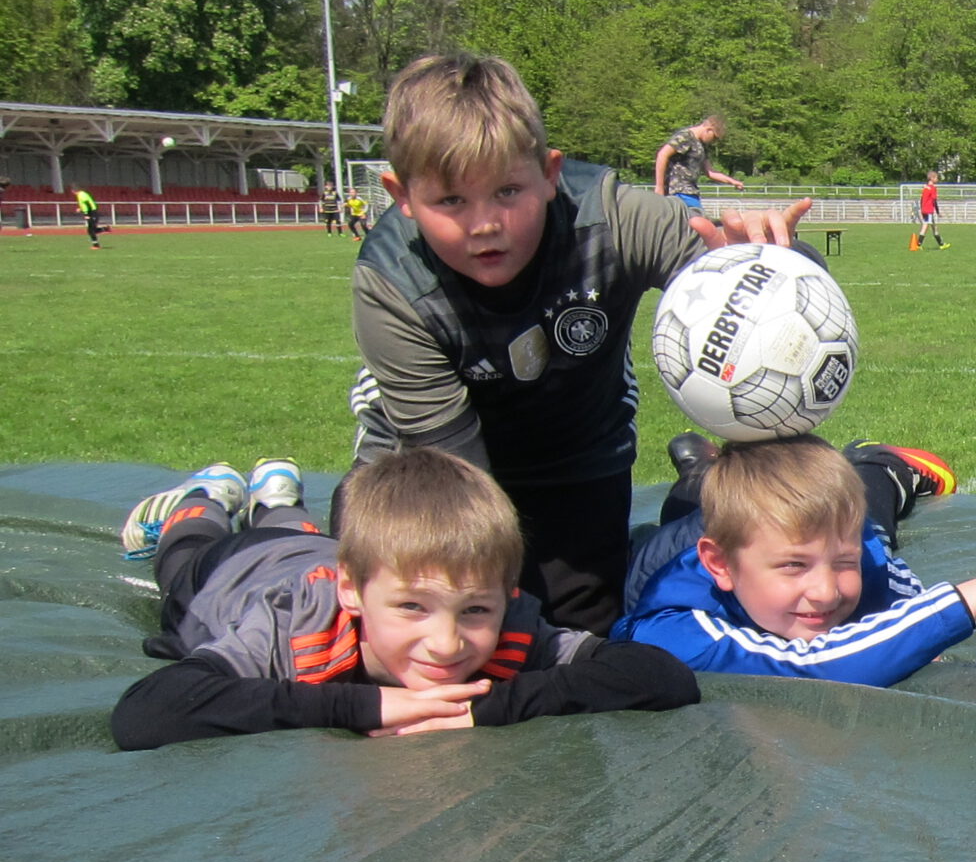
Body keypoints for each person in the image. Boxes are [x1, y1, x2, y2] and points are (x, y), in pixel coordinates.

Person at [345, 52, 813, 635]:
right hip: (430, 467)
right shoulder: (392, 283)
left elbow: (767, 295)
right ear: (401, 194)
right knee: (442, 625)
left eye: (508, 191)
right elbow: (453, 479)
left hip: (578, 453)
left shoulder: (612, 217)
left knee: (582, 631)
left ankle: (673, 518)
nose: (484, 223)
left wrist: (777, 259)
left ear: (549, 173)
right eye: (451, 202)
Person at [110, 446, 697, 751]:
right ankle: (208, 495)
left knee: (298, 529)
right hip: (236, 569)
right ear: (353, 593)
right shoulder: (292, 628)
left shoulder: (513, 623)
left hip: (324, 551)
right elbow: (148, 711)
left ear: (507, 594)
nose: (446, 644)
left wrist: (486, 707)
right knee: (185, 552)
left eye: (475, 610)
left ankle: (278, 494)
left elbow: (660, 676)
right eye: (413, 607)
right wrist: (367, 707)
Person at [617, 435, 976, 685]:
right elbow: (811, 664)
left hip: (759, 539)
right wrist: (973, 595)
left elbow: (902, 609)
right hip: (664, 552)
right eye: (793, 566)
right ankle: (701, 469)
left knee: (875, 530)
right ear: (721, 567)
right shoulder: (671, 627)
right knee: (685, 511)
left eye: (842, 563)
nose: (826, 590)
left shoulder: (860, 551)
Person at [654, 116, 740, 216]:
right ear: (709, 129)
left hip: (691, 191)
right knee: (699, 223)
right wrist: (659, 186)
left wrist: (732, 181)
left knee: (697, 224)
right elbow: (662, 154)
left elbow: (710, 172)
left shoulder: (702, 145)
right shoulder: (685, 137)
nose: (714, 141)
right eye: (715, 137)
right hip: (678, 190)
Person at [915, 169, 947, 249]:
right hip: (929, 210)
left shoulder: (925, 188)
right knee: (925, 226)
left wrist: (922, 208)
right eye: (936, 178)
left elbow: (921, 199)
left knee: (934, 227)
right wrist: (938, 211)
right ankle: (918, 245)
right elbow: (934, 201)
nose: (937, 179)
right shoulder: (933, 188)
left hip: (924, 210)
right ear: (932, 178)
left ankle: (941, 244)